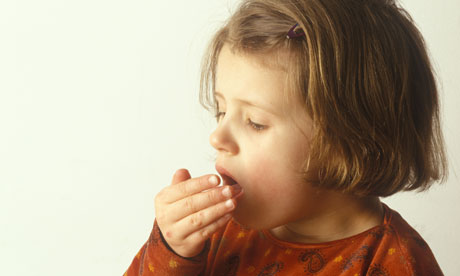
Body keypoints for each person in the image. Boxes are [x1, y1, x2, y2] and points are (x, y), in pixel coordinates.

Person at [124, 0, 448, 275]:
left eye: (255, 122)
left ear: (349, 141)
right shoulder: (213, 234)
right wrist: (172, 251)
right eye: (222, 112)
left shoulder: (393, 263)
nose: (217, 137)